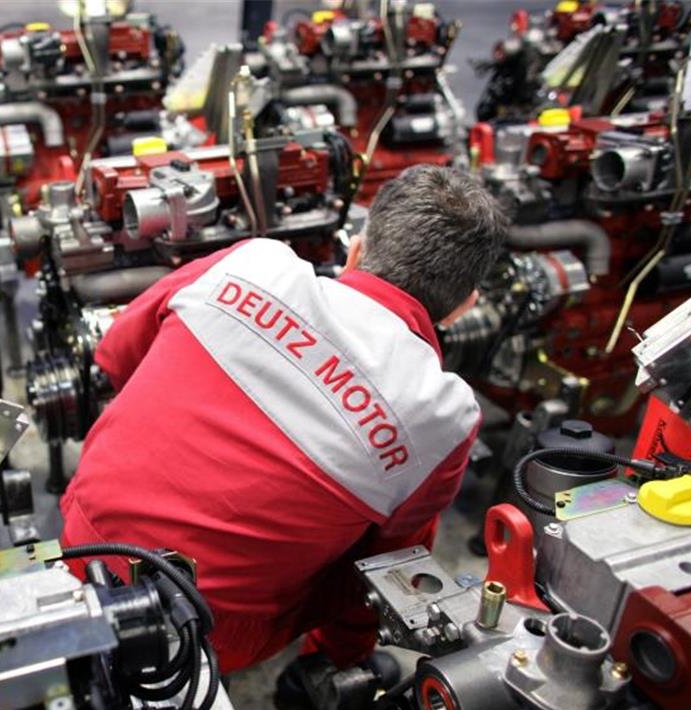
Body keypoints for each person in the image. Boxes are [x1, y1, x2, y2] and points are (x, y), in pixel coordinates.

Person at [59, 164, 508, 679]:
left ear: (356, 250)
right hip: (213, 631)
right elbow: (387, 569)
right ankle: (323, 671)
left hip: (83, 534)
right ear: (462, 307)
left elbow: (116, 356)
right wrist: (350, 654)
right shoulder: (445, 413)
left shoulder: (253, 262)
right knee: (375, 544)